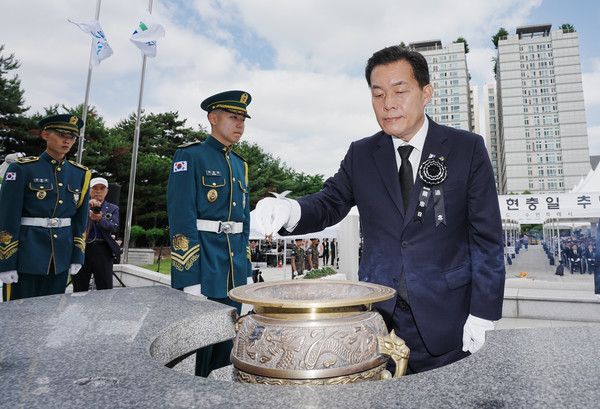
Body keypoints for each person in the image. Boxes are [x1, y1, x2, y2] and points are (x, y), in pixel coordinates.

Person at [253, 46, 505, 374]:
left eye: (400, 91)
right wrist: (289, 209)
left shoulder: (465, 148)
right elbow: (329, 203)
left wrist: (484, 314)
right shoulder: (362, 155)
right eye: (378, 94)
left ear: (426, 93)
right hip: (378, 322)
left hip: (449, 319)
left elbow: (487, 239)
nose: (388, 104)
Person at [167, 90, 252, 377]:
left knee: (228, 352)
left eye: (243, 119)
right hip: (204, 269)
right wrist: (189, 277)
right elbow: (181, 218)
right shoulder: (190, 156)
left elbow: (244, 223)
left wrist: (247, 271)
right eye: (233, 117)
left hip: (233, 271)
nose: (239, 124)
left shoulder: (240, 165)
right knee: (201, 354)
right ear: (213, 118)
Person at [0, 114, 91, 301]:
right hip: (26, 255)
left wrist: (77, 255)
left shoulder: (80, 174)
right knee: (17, 317)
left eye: (72, 137)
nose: (67, 140)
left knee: (50, 318)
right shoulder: (22, 168)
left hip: (60, 258)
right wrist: (6, 261)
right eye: (61, 134)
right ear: (45, 135)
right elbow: (7, 216)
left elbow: (80, 220)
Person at [71, 177, 120, 292]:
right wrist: (85, 209)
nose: (98, 191)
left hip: (103, 249)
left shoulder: (113, 208)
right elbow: (74, 223)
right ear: (89, 190)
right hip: (82, 248)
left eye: (102, 188)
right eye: (95, 188)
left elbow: (114, 227)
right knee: (79, 286)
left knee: (105, 287)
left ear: (107, 191)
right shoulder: (81, 206)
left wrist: (100, 219)